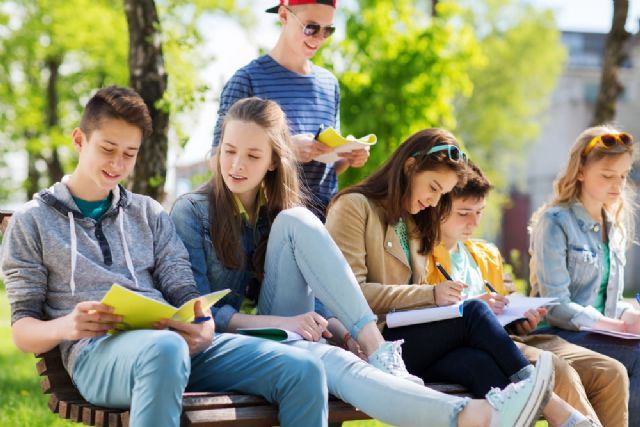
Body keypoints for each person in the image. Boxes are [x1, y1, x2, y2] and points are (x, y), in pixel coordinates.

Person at [171, 96, 554, 427]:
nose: (236, 164)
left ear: (273, 161)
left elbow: (319, 298)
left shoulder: (279, 215)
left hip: (286, 333)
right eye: (229, 150)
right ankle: (468, 410)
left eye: (253, 155)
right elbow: (202, 313)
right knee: (326, 363)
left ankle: (473, 412)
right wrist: (283, 323)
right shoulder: (193, 211)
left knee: (333, 347)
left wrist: (345, 334)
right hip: (231, 341)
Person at [2, 86, 344, 427]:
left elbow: (184, 289)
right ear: (79, 140)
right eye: (108, 149)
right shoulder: (32, 221)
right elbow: (22, 329)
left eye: (129, 153)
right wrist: (68, 325)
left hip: (176, 345)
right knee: (165, 350)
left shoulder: (147, 213)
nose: (118, 164)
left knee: (304, 370)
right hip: (98, 355)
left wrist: (203, 324)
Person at [325, 128, 598, 427]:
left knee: (478, 365)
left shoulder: (413, 222)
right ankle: (554, 407)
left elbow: (411, 301)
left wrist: (434, 302)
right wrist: (431, 295)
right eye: (433, 187)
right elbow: (350, 294)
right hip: (373, 344)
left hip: (410, 342)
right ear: (409, 167)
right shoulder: (353, 206)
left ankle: (548, 410)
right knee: (474, 311)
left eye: (441, 193)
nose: (433, 200)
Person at [429, 160, 628, 427]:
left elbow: (504, 305)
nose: (474, 223)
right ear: (437, 208)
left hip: (511, 338)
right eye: (464, 213)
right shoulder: (425, 256)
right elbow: (429, 317)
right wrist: (475, 305)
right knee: (557, 371)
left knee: (610, 371)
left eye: (480, 212)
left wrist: (521, 317)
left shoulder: (484, 253)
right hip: (476, 347)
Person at [212, 0, 370, 220]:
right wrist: (284, 150)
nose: (318, 38)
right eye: (311, 27)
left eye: (328, 30)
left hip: (325, 221)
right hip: (269, 223)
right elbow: (217, 161)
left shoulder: (329, 84)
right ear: (284, 15)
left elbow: (325, 172)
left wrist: (347, 156)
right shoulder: (247, 80)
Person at [530, 125, 640, 425]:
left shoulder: (614, 228)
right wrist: (618, 325)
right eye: (607, 175)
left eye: (623, 174)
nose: (618, 184)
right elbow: (556, 305)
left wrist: (630, 314)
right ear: (580, 171)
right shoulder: (555, 222)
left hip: (601, 335)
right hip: (555, 335)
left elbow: (607, 299)